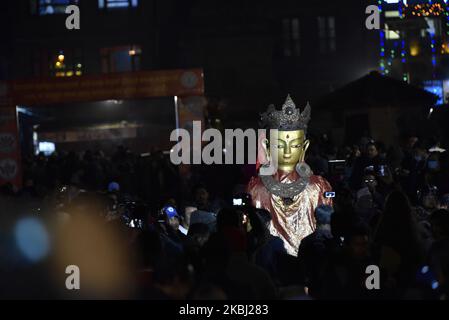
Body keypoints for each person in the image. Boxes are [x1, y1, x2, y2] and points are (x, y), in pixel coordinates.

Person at [248, 95, 333, 256]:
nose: (287, 152)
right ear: (267, 147)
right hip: (271, 260)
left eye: (294, 145)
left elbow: (326, 225)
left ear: (304, 146)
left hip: (310, 257)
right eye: (279, 145)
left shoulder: (319, 186)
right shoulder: (256, 187)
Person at [297, 204, 335, 298]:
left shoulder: (306, 241)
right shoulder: (338, 242)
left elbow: (302, 268)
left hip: (314, 288)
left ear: (315, 218)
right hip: (334, 288)